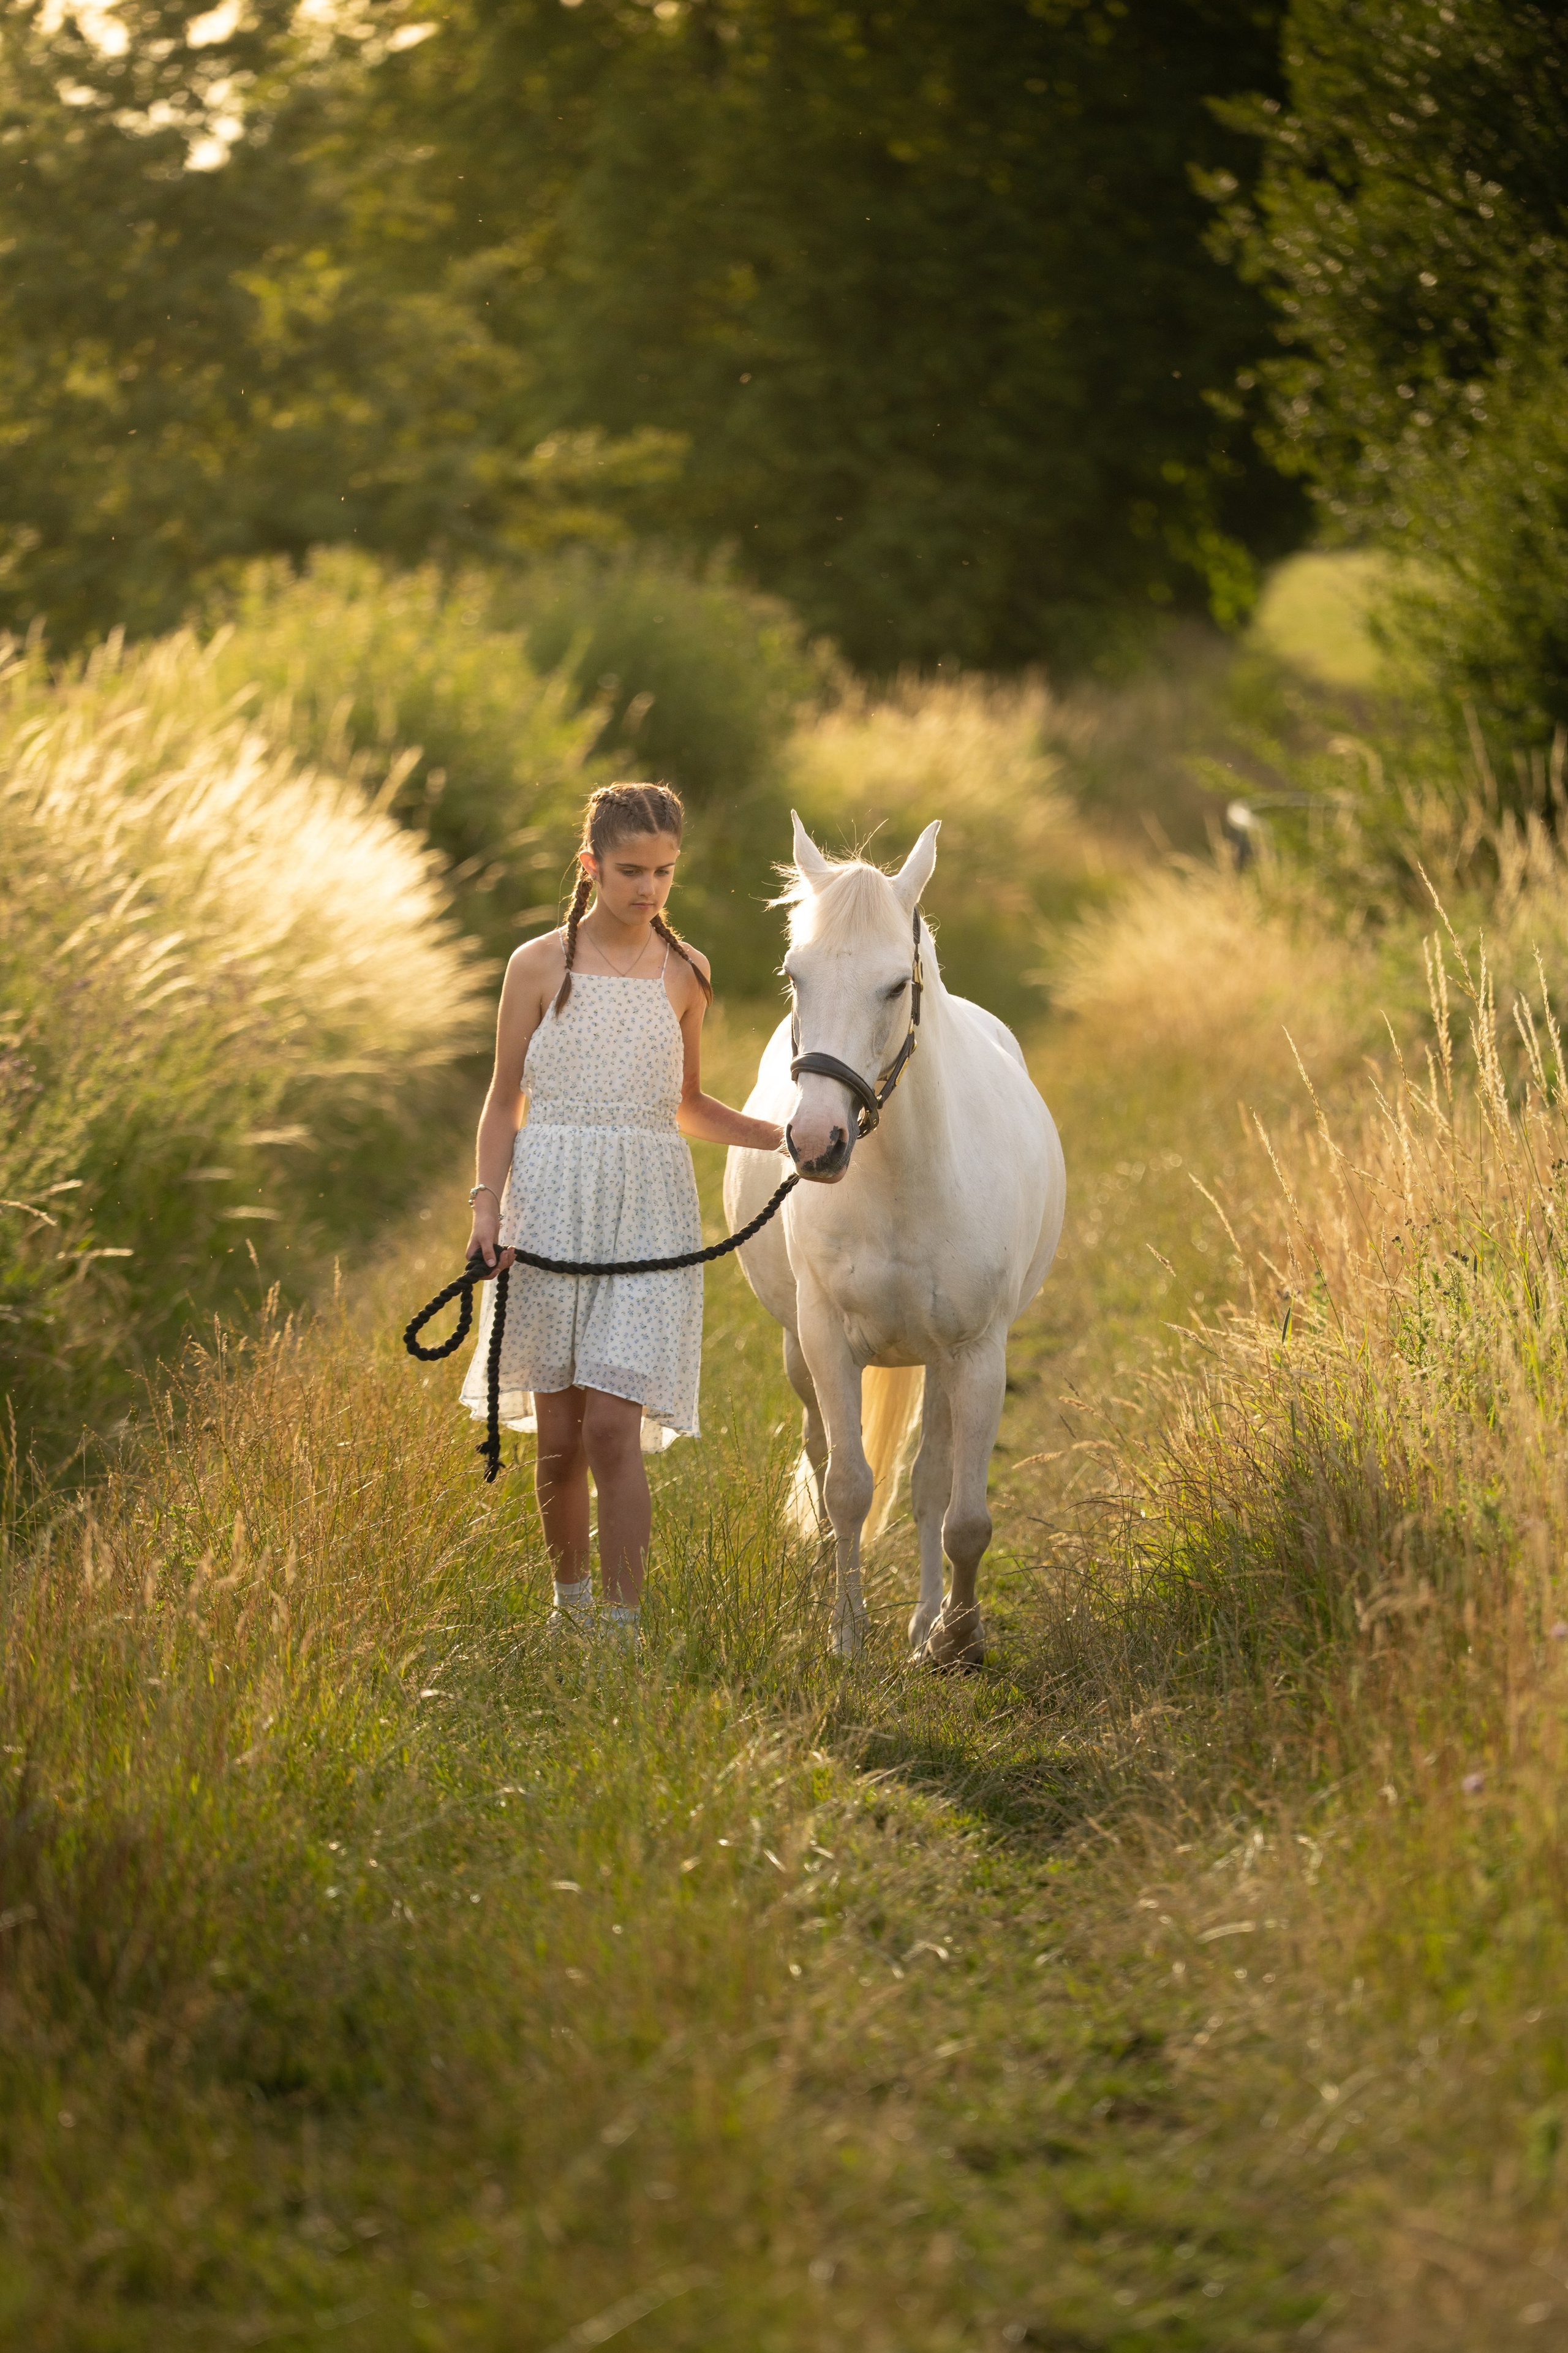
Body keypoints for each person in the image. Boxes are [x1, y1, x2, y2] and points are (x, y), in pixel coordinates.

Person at [461, 782, 785, 1646]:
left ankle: (621, 1630)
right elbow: (502, 1102)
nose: (649, 888)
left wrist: (783, 1138)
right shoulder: (537, 966)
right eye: (632, 870)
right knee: (560, 1434)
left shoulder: (688, 971)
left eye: (665, 871)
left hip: (648, 1211)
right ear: (590, 866)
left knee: (613, 1425)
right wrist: (486, 1209)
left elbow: (687, 1104)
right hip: (548, 1204)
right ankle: (568, 1610)